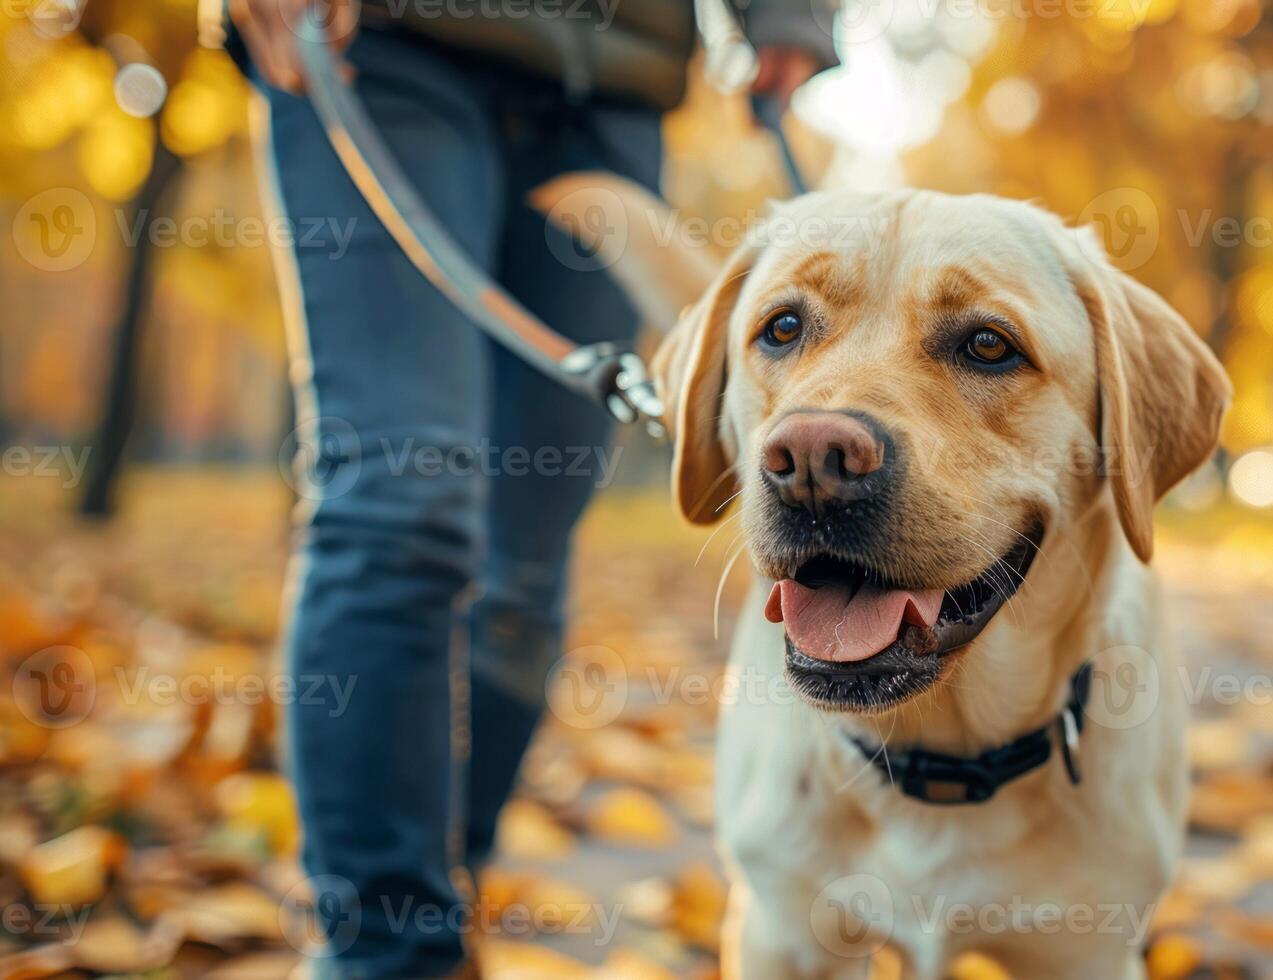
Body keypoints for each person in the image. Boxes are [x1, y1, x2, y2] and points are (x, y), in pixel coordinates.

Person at [226, 0, 835, 975]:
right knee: (401, 498)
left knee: (525, 560)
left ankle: (444, 881)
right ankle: (387, 951)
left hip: (610, 78)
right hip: (376, 41)